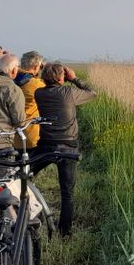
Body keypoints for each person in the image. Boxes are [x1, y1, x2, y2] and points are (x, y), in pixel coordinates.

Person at [34, 63, 96, 236]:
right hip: (68, 146)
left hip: (45, 145)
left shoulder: (39, 93)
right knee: (67, 193)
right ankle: (65, 233)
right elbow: (92, 94)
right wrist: (74, 79)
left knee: (26, 178)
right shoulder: (68, 92)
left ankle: (32, 214)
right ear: (62, 77)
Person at [14, 51, 45, 151]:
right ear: (36, 67)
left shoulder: (11, 82)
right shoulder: (37, 84)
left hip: (12, 135)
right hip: (31, 134)